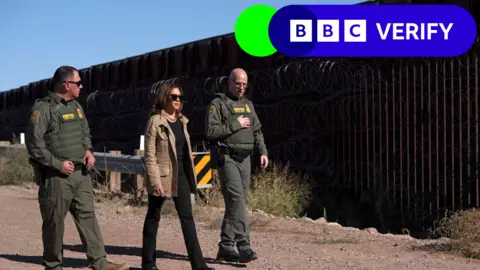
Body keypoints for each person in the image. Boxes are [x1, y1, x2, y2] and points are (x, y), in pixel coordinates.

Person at [25, 66, 127, 270]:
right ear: (66, 84)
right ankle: (53, 265)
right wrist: (58, 164)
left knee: (88, 217)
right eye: (78, 83)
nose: (81, 86)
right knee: (54, 223)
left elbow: (84, 131)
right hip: (56, 178)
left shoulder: (76, 107)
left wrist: (88, 150)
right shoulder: (42, 110)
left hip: (81, 175)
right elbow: (34, 145)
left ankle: (100, 262)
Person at [141, 83, 214, 270]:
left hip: (180, 174)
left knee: (187, 218)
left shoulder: (182, 120)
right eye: (174, 97)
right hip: (163, 175)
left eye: (180, 97)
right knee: (153, 216)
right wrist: (155, 181)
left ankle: (199, 265)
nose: (178, 100)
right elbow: (149, 155)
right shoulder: (155, 121)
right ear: (165, 98)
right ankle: (148, 264)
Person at [205, 68, 269, 263]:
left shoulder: (248, 106)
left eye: (244, 84)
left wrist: (263, 151)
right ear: (230, 82)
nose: (241, 88)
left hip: (245, 159)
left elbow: (257, 130)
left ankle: (225, 246)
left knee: (237, 203)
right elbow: (210, 131)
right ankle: (244, 244)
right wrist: (236, 124)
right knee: (236, 199)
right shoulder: (218, 104)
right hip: (228, 158)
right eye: (237, 84)